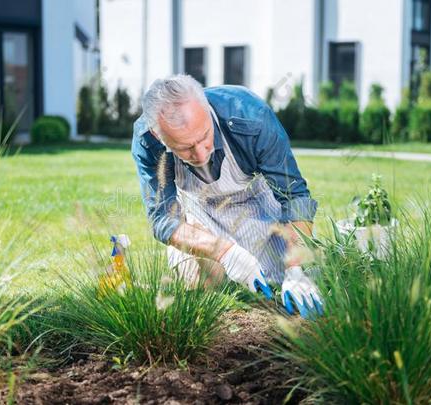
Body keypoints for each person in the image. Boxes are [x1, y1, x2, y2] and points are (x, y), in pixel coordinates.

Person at [131, 74, 323, 318]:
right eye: (185, 148)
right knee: (199, 285)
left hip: (258, 203)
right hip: (199, 210)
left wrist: (296, 268)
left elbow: (295, 197)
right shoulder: (148, 140)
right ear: (160, 137)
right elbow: (163, 220)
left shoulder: (251, 116)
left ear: (207, 110)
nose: (200, 156)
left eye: (204, 137)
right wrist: (225, 252)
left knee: (293, 278)